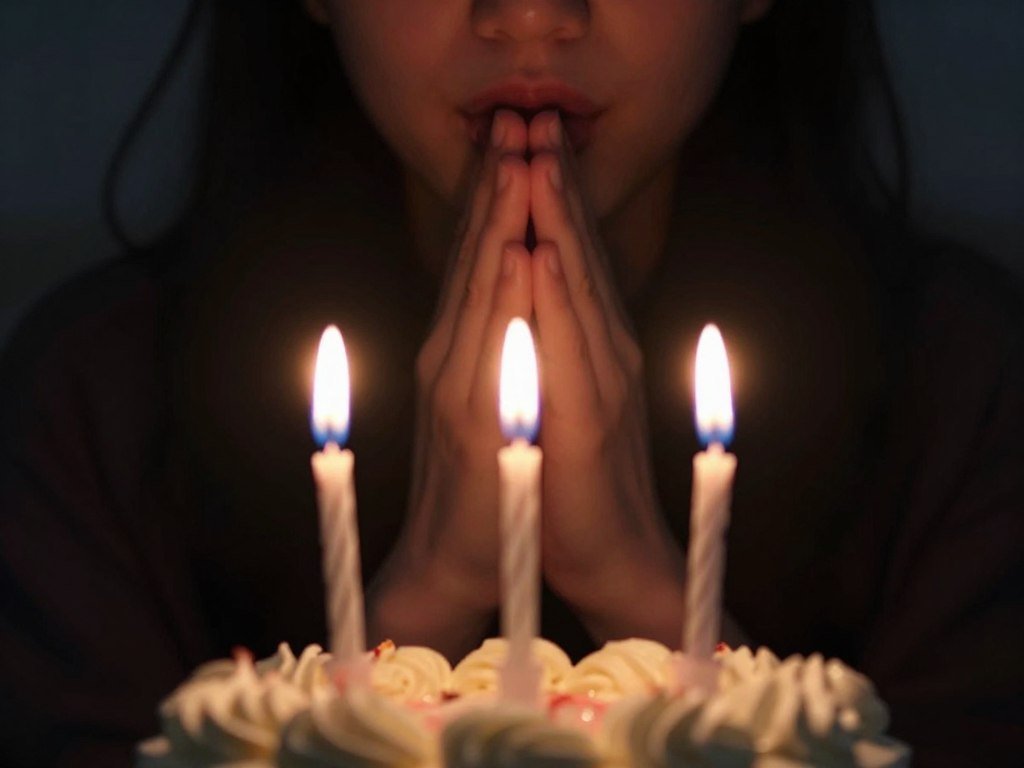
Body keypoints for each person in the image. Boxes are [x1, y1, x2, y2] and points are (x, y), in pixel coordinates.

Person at [1, 1, 1021, 766]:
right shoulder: (97, 404)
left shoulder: (965, 390)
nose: (531, 15)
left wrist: (642, 589)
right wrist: (425, 595)